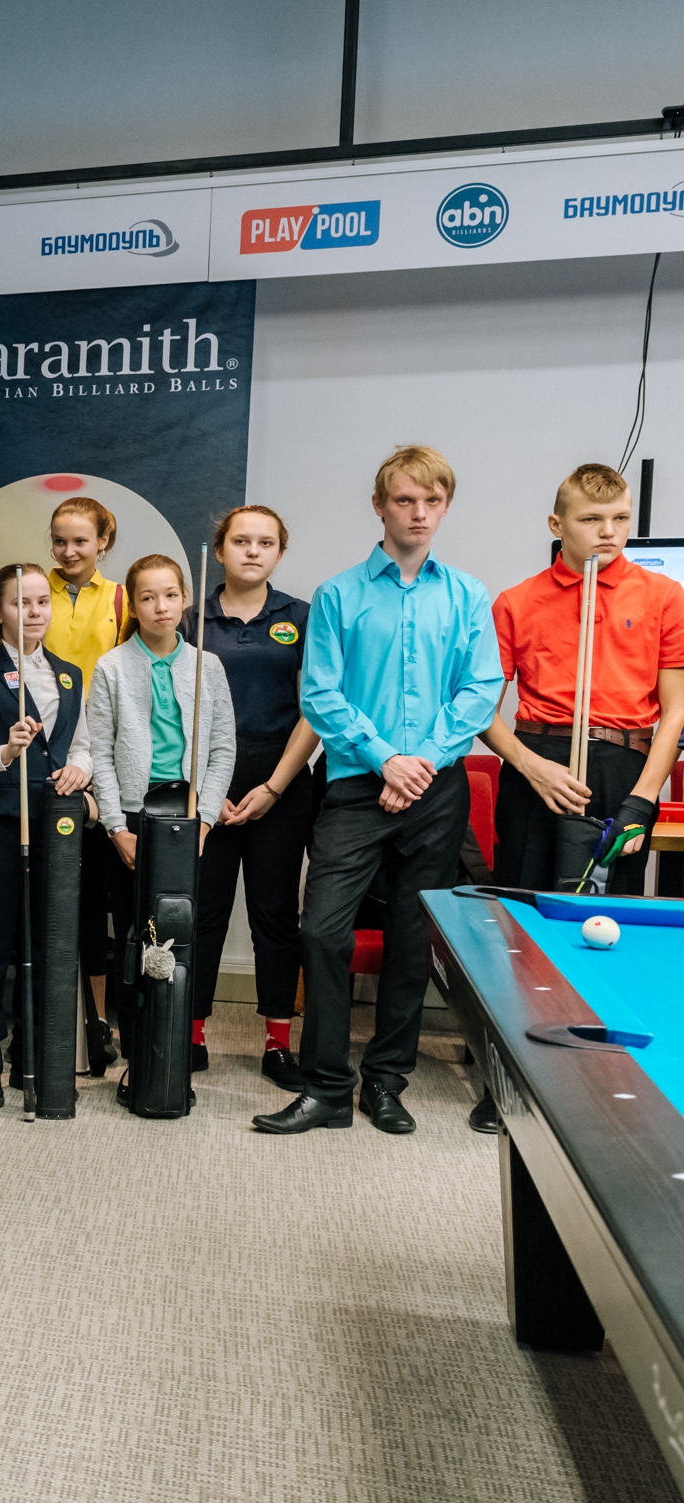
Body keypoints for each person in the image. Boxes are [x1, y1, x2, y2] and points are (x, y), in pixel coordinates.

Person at [259, 445, 503, 1137]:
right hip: (354, 786)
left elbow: (480, 688)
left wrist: (419, 762)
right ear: (379, 505)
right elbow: (320, 694)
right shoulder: (339, 595)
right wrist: (385, 759)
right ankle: (327, 1089)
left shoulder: (467, 595)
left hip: (436, 789)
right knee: (321, 931)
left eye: (431, 501)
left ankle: (386, 1083)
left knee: (410, 940)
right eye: (404, 500)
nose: (418, 513)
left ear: (444, 507)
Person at [471, 462, 684, 1132]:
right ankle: (508, 1078)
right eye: (592, 520)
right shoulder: (517, 601)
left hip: (623, 769)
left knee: (605, 924)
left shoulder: (663, 596)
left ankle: (596, 1078)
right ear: (557, 524)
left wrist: (643, 800)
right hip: (538, 764)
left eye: (620, 519)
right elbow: (482, 711)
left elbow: (675, 711)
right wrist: (532, 767)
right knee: (523, 923)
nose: (608, 531)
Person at [0, 563, 93, 1106]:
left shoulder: (70, 674)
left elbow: (82, 745)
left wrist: (80, 769)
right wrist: (4, 752)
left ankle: (29, 1056)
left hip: (54, 823)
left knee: (44, 943)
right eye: (20, 603)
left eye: (41, 602)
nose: (34, 612)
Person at [183, 507, 322, 1087]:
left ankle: (277, 1042)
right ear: (220, 549)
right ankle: (190, 1035)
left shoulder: (302, 617)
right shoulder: (190, 618)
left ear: (280, 553)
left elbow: (316, 710)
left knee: (275, 915)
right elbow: (172, 713)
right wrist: (203, 789)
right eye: (241, 541)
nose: (252, 551)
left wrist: (273, 787)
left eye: (266, 543)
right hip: (204, 782)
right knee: (203, 913)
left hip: (281, 781)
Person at [84, 554, 237, 1075]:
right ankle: (136, 1053)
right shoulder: (112, 667)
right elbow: (101, 753)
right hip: (133, 815)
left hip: (187, 817)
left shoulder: (207, 666)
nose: (160, 606)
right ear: (132, 605)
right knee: (134, 933)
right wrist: (116, 827)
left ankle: (174, 1047)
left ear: (185, 598)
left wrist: (206, 819)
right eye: (147, 598)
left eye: (170, 595)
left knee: (181, 932)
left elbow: (222, 749)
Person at [43, 496, 130, 1071]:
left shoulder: (122, 599)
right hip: (43, 750)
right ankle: (48, 1016)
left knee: (97, 897)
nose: (69, 551)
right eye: (60, 540)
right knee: (48, 895)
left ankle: (99, 1020)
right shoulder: (32, 588)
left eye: (81, 540)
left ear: (103, 542)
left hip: (104, 755)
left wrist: (99, 763)